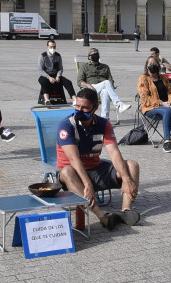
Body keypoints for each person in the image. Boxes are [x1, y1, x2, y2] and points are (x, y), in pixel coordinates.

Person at [56, 87, 141, 230]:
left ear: (95, 107)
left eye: (84, 108)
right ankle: (102, 215)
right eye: (77, 106)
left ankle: (126, 211)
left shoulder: (103, 124)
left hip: (96, 169)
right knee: (66, 172)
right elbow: (74, 160)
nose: (79, 111)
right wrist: (88, 184)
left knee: (132, 165)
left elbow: (114, 153)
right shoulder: (66, 125)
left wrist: (126, 179)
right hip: (74, 175)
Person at [77, 47, 132, 118]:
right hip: (91, 89)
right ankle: (119, 105)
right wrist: (88, 85)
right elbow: (79, 81)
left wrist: (111, 85)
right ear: (89, 57)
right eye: (93, 55)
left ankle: (105, 118)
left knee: (105, 91)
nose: (95, 56)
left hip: (103, 89)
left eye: (97, 54)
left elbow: (111, 80)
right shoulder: (84, 66)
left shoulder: (105, 67)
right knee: (106, 82)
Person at [37, 40, 75, 105]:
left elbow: (60, 68)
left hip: (55, 75)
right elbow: (40, 70)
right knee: (43, 82)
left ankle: (75, 99)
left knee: (68, 82)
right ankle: (47, 100)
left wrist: (58, 76)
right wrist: (49, 77)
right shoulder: (42, 56)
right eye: (51, 47)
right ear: (47, 47)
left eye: (54, 47)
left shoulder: (58, 56)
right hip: (45, 75)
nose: (52, 49)